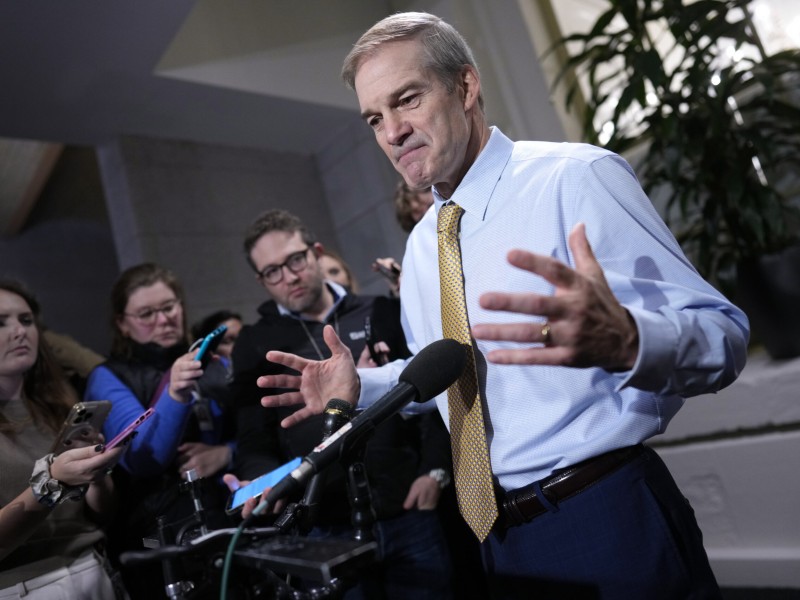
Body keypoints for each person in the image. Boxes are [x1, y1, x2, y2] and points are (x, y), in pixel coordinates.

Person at [256, 12, 751, 600]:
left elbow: (722, 336)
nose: (393, 132)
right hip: (497, 541)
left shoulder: (575, 178)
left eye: (407, 99)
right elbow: (451, 372)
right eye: (375, 118)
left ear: (465, 86)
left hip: (604, 511)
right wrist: (365, 385)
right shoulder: (422, 247)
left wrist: (630, 340)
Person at [228, 209, 453, 599]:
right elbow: (254, 438)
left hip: (408, 507)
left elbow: (431, 389)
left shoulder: (381, 311)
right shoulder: (255, 343)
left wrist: (434, 469)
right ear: (261, 281)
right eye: (272, 272)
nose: (289, 277)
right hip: (325, 523)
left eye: (295, 260)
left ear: (316, 252)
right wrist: (261, 481)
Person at [84, 263, 235, 597]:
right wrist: (175, 394)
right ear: (123, 324)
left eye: (169, 307)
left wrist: (227, 453)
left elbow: (256, 436)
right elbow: (143, 458)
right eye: (146, 314)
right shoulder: (108, 377)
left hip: (228, 518)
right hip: (156, 536)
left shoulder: (217, 364)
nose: (163, 319)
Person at [0, 279, 127, 599]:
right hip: (23, 585)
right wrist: (52, 482)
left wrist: (96, 475)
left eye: (26, 320)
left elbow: (102, 515)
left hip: (94, 567)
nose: (19, 331)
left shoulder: (57, 405)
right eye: (1, 323)